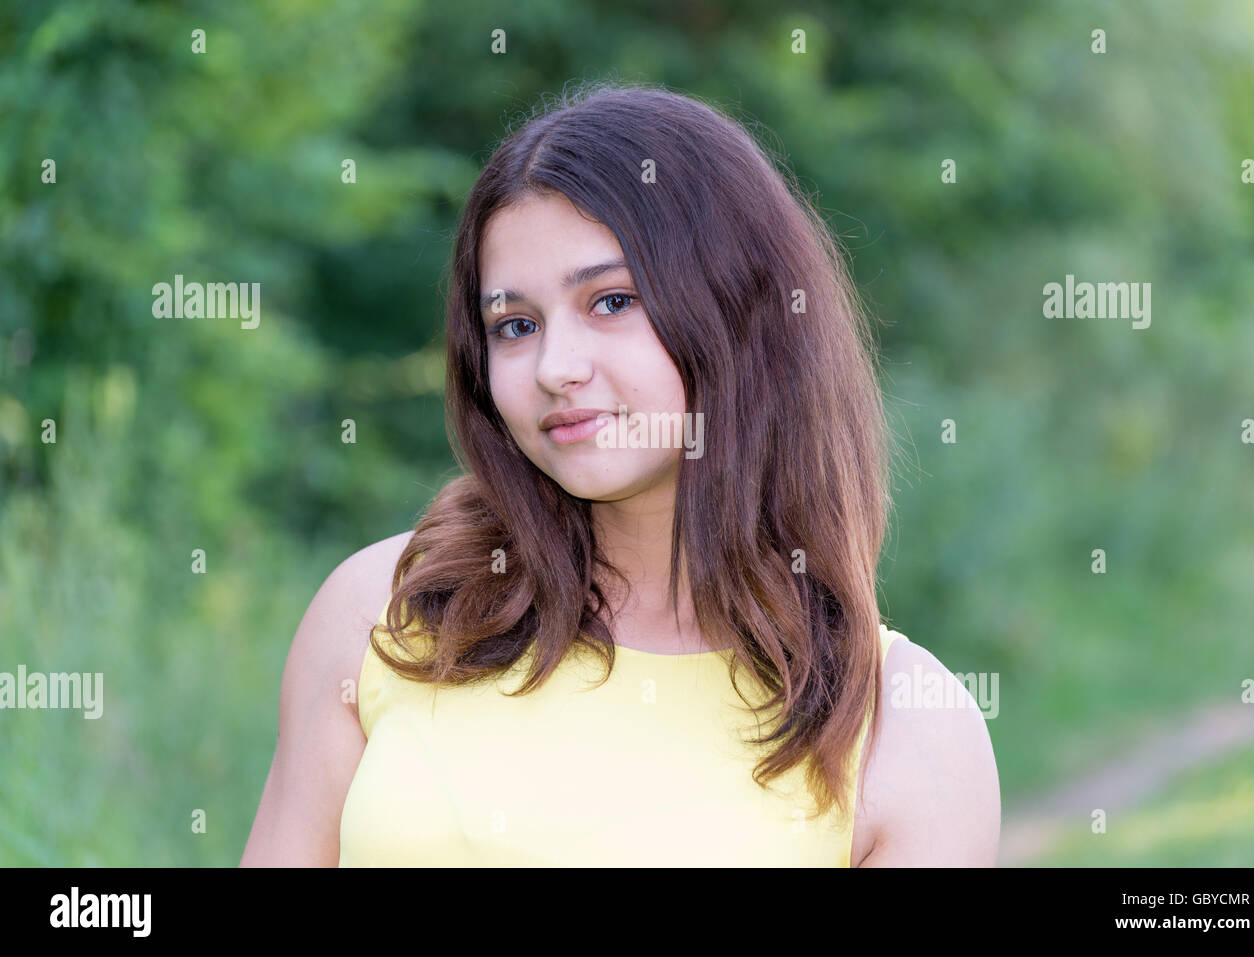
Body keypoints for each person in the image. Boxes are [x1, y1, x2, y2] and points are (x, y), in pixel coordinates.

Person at [240, 81, 1000, 867]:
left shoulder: (903, 725)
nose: (555, 368)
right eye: (516, 325)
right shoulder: (388, 611)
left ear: (742, 310)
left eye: (611, 301)